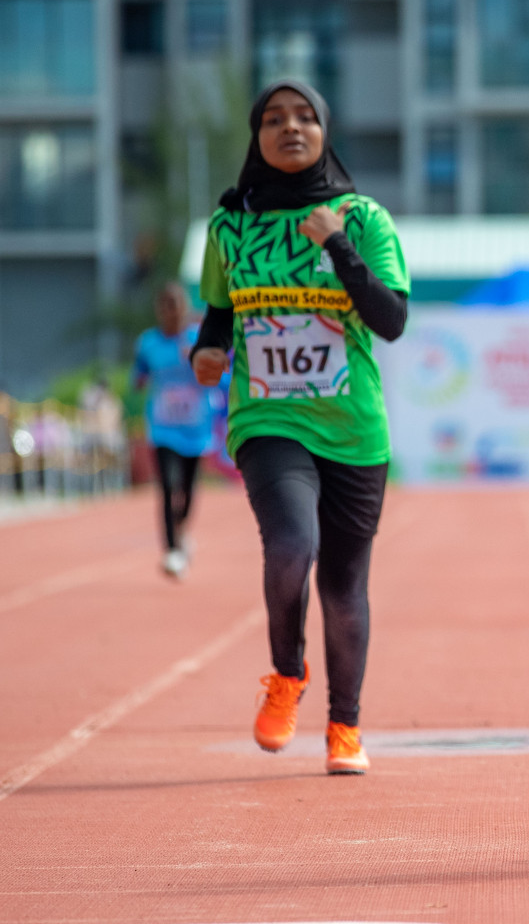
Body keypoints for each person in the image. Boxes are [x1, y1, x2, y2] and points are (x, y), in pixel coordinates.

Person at [190, 79, 409, 775]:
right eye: (274, 119)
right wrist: (206, 350)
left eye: (306, 116)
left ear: (325, 131)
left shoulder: (364, 217)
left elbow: (391, 320)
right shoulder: (229, 228)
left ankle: (344, 725)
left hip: (352, 427)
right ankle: (287, 674)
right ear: (255, 136)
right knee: (291, 545)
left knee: (344, 588)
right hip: (267, 415)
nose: (291, 127)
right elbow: (218, 313)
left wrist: (339, 245)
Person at [132, 281, 217, 579]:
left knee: (189, 491)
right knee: (168, 487)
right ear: (159, 310)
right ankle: (172, 551)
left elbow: (220, 379)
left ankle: (180, 529)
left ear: (185, 307)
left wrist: (195, 361)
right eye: (166, 305)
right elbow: (138, 377)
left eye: (176, 304)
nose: (171, 311)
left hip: (196, 430)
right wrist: (140, 381)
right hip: (163, 429)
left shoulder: (198, 338)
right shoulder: (148, 343)